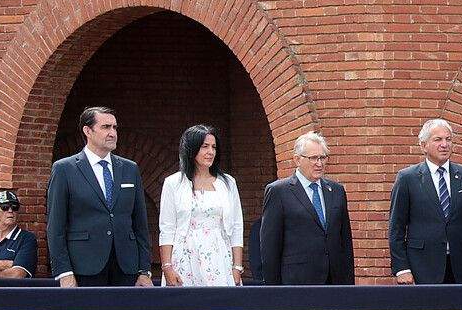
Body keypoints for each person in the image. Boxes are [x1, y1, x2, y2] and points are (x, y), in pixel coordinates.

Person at [46, 106, 153, 287]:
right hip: (83, 268)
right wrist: (64, 272)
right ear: (87, 131)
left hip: (127, 268)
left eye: (115, 127)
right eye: (106, 127)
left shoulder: (130, 169)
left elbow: (141, 224)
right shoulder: (64, 169)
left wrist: (144, 270)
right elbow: (55, 226)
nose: (112, 133)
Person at [389, 118, 462, 285]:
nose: (445, 144)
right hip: (421, 268)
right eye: (438, 139)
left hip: (460, 268)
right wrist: (402, 269)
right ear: (423, 145)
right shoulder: (407, 178)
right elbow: (396, 228)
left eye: (448, 139)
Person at [260, 132, 355, 286]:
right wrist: (273, 290)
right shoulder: (279, 191)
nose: (319, 163)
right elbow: (270, 247)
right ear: (297, 159)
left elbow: (345, 242)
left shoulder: (337, 191)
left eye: (323, 158)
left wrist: (349, 286)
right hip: (296, 283)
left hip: (335, 282)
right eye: (313, 158)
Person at [158, 125, 245, 287]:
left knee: (221, 307)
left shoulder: (228, 182)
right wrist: (167, 267)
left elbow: (237, 226)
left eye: (213, 147)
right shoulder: (173, 183)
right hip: (184, 256)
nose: (210, 152)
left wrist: (237, 267)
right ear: (191, 148)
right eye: (204, 146)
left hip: (219, 255)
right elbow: (167, 228)